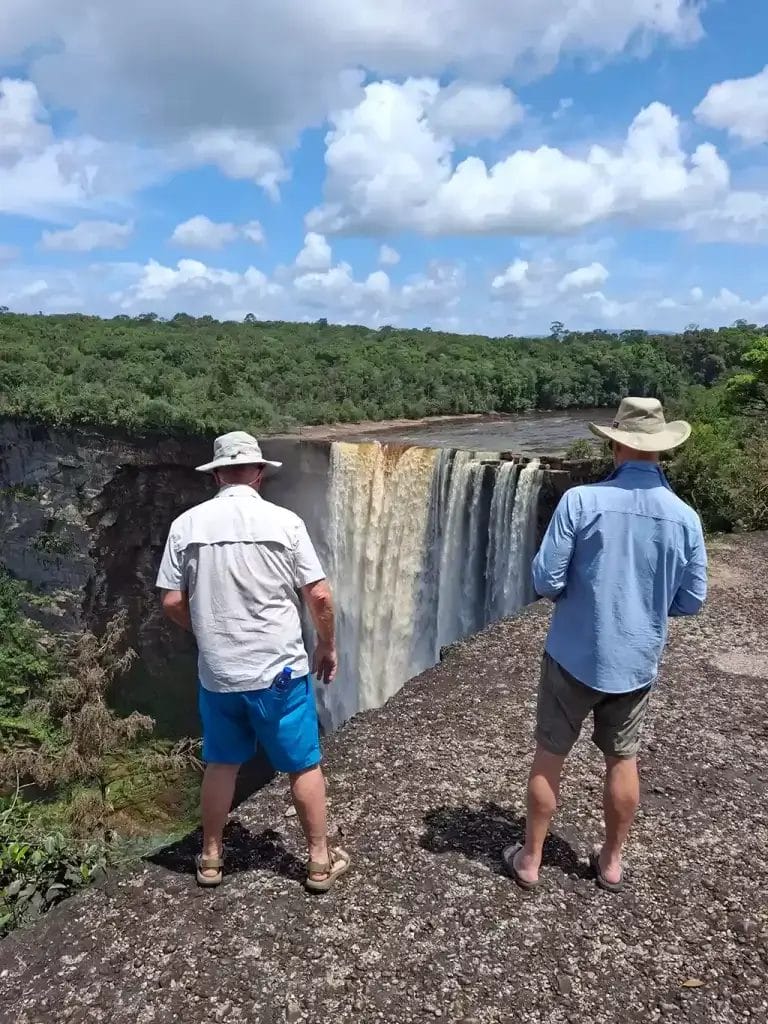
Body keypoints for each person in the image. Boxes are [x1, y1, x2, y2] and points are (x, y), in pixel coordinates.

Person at [503, 397, 707, 894]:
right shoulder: (686, 518)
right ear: (661, 450)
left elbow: (546, 579)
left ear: (616, 442)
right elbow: (692, 600)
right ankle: (611, 862)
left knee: (550, 754)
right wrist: (646, 606)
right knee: (623, 758)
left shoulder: (581, 501)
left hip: (572, 654)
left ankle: (530, 858)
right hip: (636, 663)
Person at [156, 431, 350, 892]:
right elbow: (319, 594)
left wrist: (205, 631)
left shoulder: (186, 525)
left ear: (217, 474)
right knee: (303, 765)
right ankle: (319, 862)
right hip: (278, 672)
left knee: (222, 762)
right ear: (259, 473)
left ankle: (209, 857)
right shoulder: (285, 523)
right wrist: (327, 645)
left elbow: (169, 602)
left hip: (219, 674)